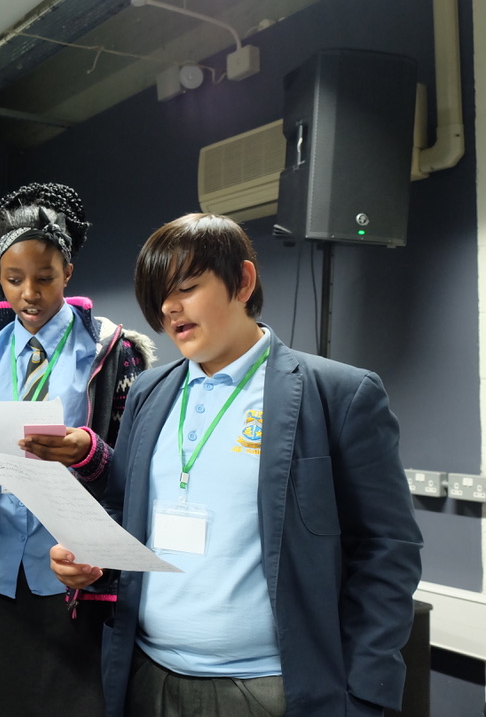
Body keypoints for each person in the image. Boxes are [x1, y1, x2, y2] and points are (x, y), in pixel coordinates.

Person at [51, 212, 424, 717]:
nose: (170, 309)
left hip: (272, 689)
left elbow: (387, 550)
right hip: (147, 678)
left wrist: (363, 693)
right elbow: (121, 514)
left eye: (187, 287)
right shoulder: (147, 393)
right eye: (159, 297)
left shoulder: (338, 394)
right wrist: (92, 564)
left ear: (243, 281)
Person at [0, 183, 155, 716]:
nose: (29, 294)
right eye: (13, 280)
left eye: (45, 278)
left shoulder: (111, 350)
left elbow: (137, 474)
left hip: (70, 573)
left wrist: (85, 451)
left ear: (69, 273)